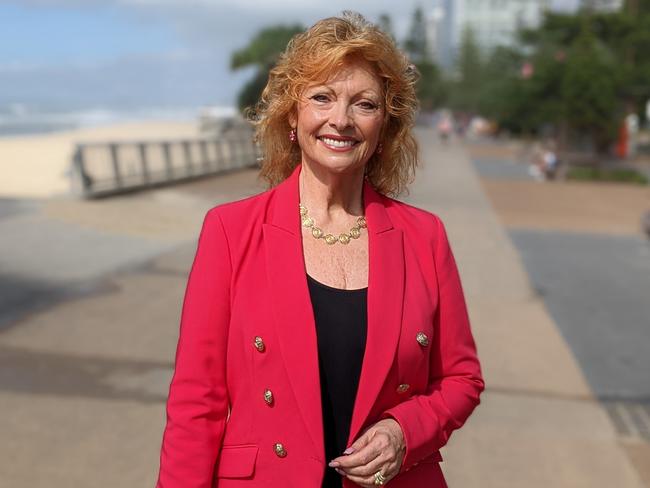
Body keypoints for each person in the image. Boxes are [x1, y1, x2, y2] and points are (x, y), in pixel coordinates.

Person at [156, 11, 483, 488]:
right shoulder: (230, 230)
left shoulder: (425, 236)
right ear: (293, 113)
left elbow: (462, 379)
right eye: (322, 97)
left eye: (364, 104)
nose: (341, 120)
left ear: (384, 127)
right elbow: (196, 402)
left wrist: (403, 431)